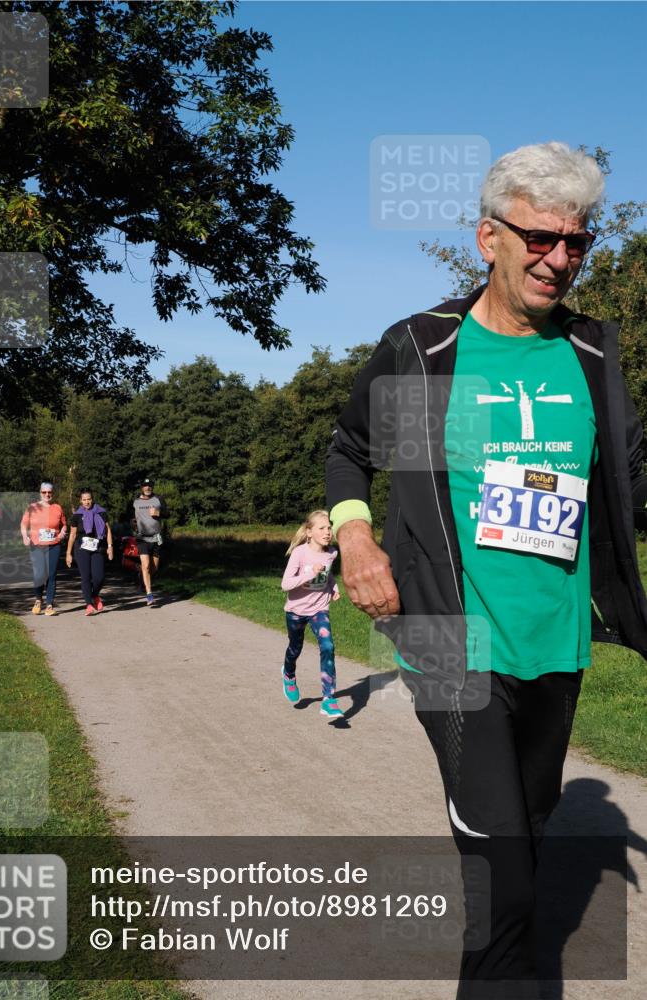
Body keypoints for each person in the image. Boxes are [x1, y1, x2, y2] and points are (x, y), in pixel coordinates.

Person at [326, 142, 647, 999]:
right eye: (539, 237)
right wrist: (357, 541)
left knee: (525, 843)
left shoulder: (592, 357)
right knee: (504, 864)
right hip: (450, 642)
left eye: (576, 242)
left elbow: (630, 482)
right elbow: (349, 450)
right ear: (487, 238)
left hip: (557, 644)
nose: (559, 258)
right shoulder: (425, 349)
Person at [280, 510, 343, 720]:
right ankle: (288, 674)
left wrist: (333, 587)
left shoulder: (332, 553)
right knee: (295, 647)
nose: (327, 532)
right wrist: (310, 573)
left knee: (328, 646)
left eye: (329, 527)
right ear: (309, 532)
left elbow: (328, 574)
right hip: (296, 611)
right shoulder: (300, 553)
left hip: (319, 609)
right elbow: (285, 584)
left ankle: (329, 699)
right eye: (322, 528)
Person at [20, 482, 67, 616]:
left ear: (52, 493)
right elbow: (23, 525)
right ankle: (38, 600)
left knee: (51, 575)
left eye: (49, 492)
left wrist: (63, 532)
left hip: (54, 545)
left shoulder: (57, 508)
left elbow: (64, 524)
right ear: (40, 493)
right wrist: (24, 536)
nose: (47, 494)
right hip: (37, 545)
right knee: (39, 574)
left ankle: (49, 605)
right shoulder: (32, 507)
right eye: (44, 492)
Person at [65, 489, 114, 615]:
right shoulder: (77, 515)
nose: (87, 502)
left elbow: (108, 530)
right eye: (84, 500)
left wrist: (110, 546)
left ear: (92, 499)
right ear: (81, 501)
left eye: (89, 499)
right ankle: (89, 604)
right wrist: (68, 553)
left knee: (99, 577)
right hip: (81, 549)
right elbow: (72, 535)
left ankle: (95, 595)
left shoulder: (101, 512)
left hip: (98, 547)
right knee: (86, 577)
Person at [133, 478, 162, 606]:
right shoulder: (135, 501)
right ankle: (149, 594)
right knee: (145, 565)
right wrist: (131, 521)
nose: (147, 488)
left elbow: (168, 514)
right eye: (145, 486)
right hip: (142, 538)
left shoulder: (158, 499)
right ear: (142, 488)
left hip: (156, 538)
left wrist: (158, 513)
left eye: (149, 485)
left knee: (154, 568)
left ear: (152, 487)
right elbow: (128, 514)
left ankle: (141, 577)